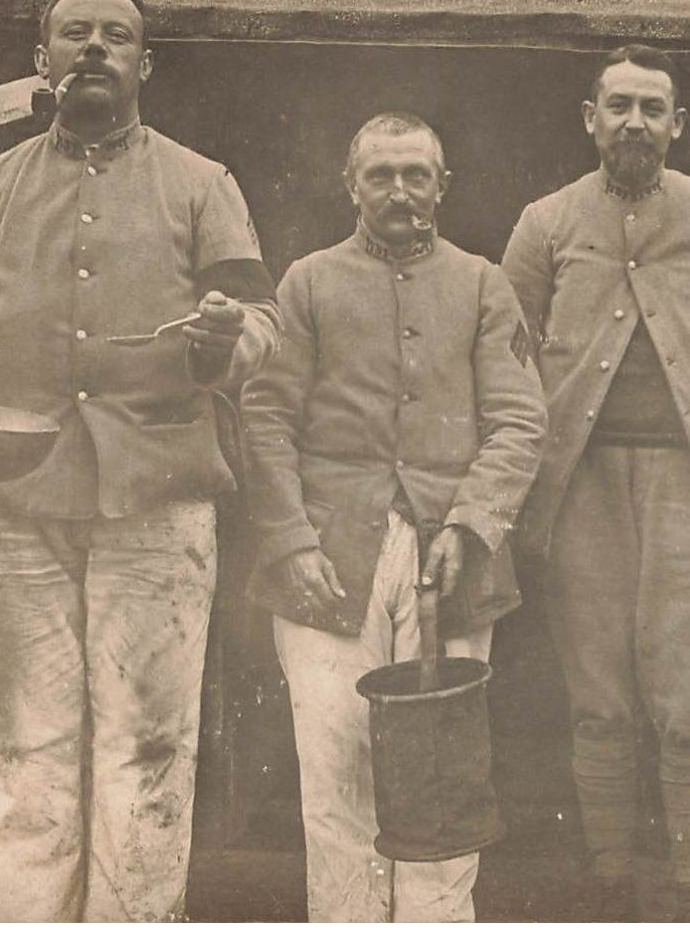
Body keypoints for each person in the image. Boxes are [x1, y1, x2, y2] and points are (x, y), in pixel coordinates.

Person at [0, 0, 281, 921]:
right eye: (74, 33)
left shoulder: (201, 183)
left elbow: (259, 320)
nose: (95, 48)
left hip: (159, 502)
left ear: (146, 62)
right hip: (13, 499)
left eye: (116, 35)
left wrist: (227, 337)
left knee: (148, 748)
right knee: (21, 748)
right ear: (41, 59)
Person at [242, 112, 545, 922]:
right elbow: (264, 417)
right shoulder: (307, 282)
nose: (401, 190)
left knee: (440, 781)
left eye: (418, 174)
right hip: (330, 558)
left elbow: (520, 421)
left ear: (442, 185)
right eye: (381, 174)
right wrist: (291, 541)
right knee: (336, 767)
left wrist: (470, 521)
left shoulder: (482, 283)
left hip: (450, 559)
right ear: (351, 185)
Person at [500, 44, 690, 920]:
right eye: (619, 106)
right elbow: (508, 355)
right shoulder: (545, 222)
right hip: (582, 487)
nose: (634, 123)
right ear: (590, 118)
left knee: (688, 696)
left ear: (677, 125)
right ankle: (609, 880)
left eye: (652, 108)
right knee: (598, 697)